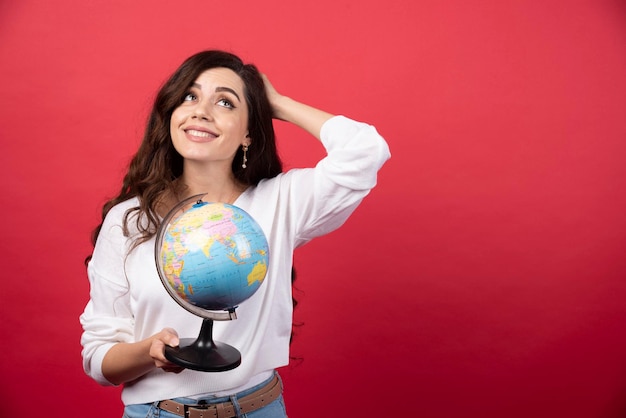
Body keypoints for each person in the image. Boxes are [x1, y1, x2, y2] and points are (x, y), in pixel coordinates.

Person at [80, 50, 390, 418]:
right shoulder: (128, 220)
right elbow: (99, 359)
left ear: (247, 132)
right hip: (157, 413)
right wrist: (151, 351)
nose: (201, 110)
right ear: (171, 115)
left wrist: (277, 103)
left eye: (225, 102)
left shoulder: (279, 202)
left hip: (259, 409)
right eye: (190, 97)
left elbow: (365, 151)